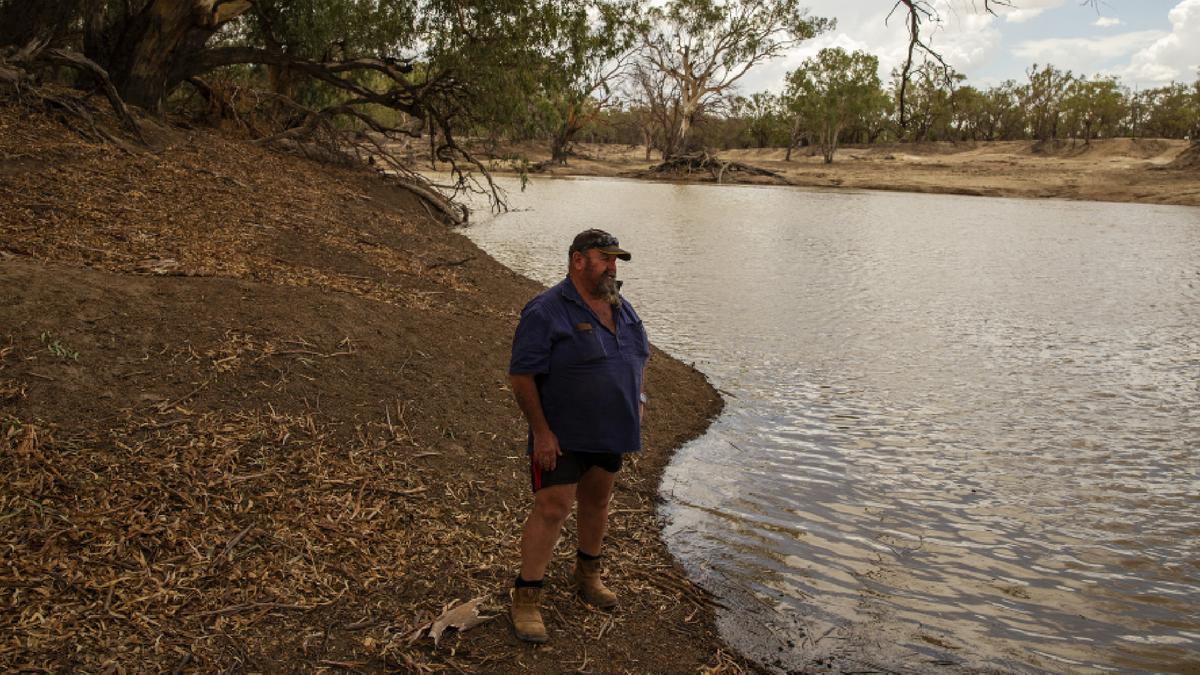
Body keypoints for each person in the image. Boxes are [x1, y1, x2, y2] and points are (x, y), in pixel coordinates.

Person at [506, 228, 650, 643]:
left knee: (598, 501)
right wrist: (542, 432)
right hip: (562, 433)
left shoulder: (620, 306)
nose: (612, 266)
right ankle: (527, 597)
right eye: (604, 258)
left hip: (611, 429)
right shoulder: (546, 310)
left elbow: (641, 355)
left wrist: (639, 397)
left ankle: (588, 573)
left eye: (615, 260)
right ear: (578, 260)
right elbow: (521, 375)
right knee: (552, 507)